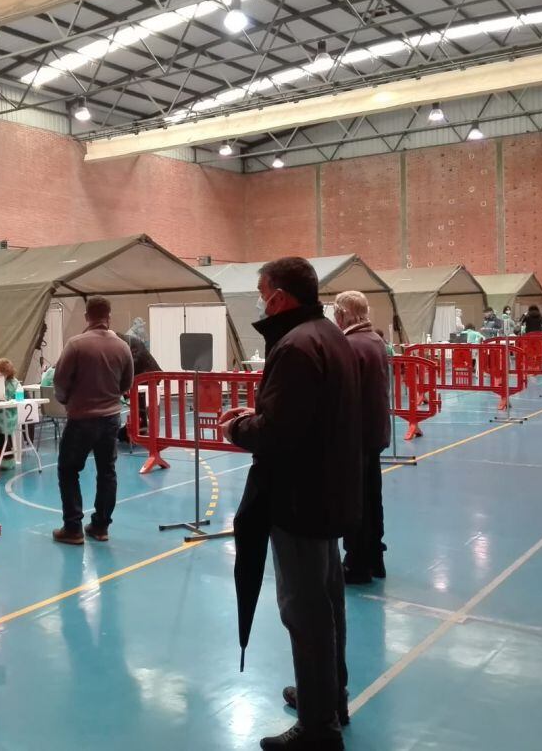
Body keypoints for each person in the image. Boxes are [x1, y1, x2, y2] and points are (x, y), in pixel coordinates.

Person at [219, 258, 360, 750]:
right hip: (330, 489)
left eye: (262, 293)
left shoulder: (296, 346)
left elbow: (278, 434)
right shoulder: (329, 336)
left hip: (300, 498)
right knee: (328, 603)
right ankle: (328, 696)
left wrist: (238, 426)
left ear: (278, 297)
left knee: (305, 612)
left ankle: (319, 729)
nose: (261, 302)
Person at [52, 296, 133, 545]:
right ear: (109, 316)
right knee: (106, 472)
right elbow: (127, 384)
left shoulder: (75, 345)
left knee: (68, 471)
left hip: (81, 419)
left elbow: (60, 382)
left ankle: (73, 528)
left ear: (86, 316)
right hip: (110, 419)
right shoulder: (122, 346)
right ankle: (100, 527)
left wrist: (67, 401)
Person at [334, 291, 390, 586]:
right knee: (372, 497)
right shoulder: (375, 340)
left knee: (355, 501)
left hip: (355, 436)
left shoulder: (350, 344)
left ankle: (356, 564)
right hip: (375, 432)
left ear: (342, 314)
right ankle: (375, 558)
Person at [117, 333, 161, 442]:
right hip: (145, 376)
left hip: (148, 376)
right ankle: (138, 429)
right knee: (140, 404)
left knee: (141, 403)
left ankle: (137, 430)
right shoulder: (127, 342)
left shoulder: (131, 344)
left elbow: (131, 364)